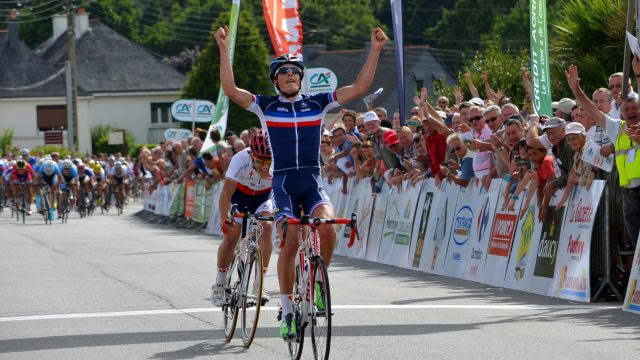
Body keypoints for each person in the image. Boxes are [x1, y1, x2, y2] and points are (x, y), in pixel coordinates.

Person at [215, 24, 388, 340]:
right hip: (282, 184)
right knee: (291, 240)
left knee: (327, 227)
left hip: (311, 180)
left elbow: (360, 87)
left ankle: (319, 284)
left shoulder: (318, 103)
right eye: (283, 73)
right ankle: (286, 308)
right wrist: (224, 49)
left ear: (301, 77)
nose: (290, 75)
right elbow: (230, 89)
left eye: (294, 71)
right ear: (276, 81)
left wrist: (375, 50)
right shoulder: (266, 107)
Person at [567, 62, 640, 253]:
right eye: (627, 109)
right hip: (629, 195)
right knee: (635, 245)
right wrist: (576, 89)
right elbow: (592, 110)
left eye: (635, 108)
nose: (631, 111)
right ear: (621, 112)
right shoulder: (618, 127)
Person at [211, 130, 274, 307]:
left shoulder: (278, 161)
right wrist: (225, 220)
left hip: (264, 197)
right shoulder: (240, 159)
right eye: (260, 161)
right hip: (239, 196)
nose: (264, 167)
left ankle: (258, 283)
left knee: (267, 229)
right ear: (252, 155)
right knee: (232, 236)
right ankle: (220, 282)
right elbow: (226, 193)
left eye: (268, 162)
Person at [555, 123, 597, 209]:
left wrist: (578, 179)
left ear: (584, 137)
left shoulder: (589, 150)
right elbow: (572, 174)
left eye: (574, 138)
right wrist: (564, 199)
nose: (571, 142)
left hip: (596, 198)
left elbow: (587, 178)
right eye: (568, 139)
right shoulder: (578, 152)